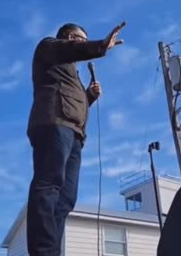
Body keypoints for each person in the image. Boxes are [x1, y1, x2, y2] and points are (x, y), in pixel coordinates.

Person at [26, 21, 126, 256]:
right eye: (81, 39)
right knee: (48, 185)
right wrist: (100, 46)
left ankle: (52, 251)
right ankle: (42, 252)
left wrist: (88, 97)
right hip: (53, 123)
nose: (83, 43)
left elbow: (73, 101)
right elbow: (68, 51)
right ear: (70, 38)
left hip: (74, 134)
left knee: (66, 198)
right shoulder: (49, 47)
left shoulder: (69, 72)